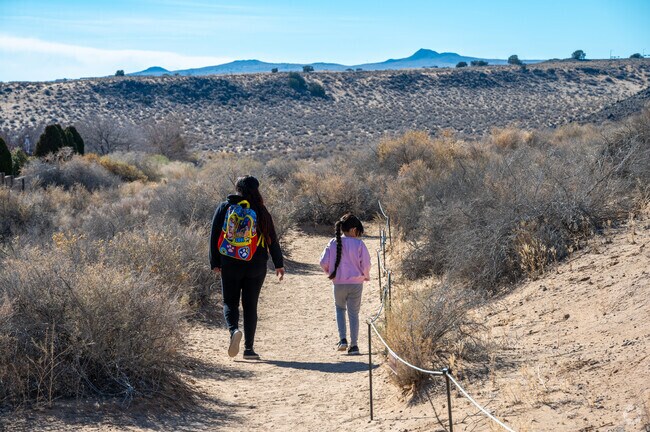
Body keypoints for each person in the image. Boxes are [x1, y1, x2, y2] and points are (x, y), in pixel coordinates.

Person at [210, 175, 285, 360]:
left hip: (230, 261)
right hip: (256, 263)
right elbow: (272, 239)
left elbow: (214, 236)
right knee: (250, 305)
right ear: (256, 189)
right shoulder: (260, 210)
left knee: (230, 302)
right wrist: (279, 264)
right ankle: (249, 349)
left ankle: (234, 330)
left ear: (237, 189)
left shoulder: (225, 207)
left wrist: (215, 262)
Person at [319, 214, 371, 355]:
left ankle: (342, 340)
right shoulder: (359, 244)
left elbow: (323, 262)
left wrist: (330, 273)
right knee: (354, 314)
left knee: (340, 310)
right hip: (356, 284)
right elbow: (366, 264)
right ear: (354, 230)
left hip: (338, 283)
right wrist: (365, 276)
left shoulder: (332, 242)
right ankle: (354, 346)